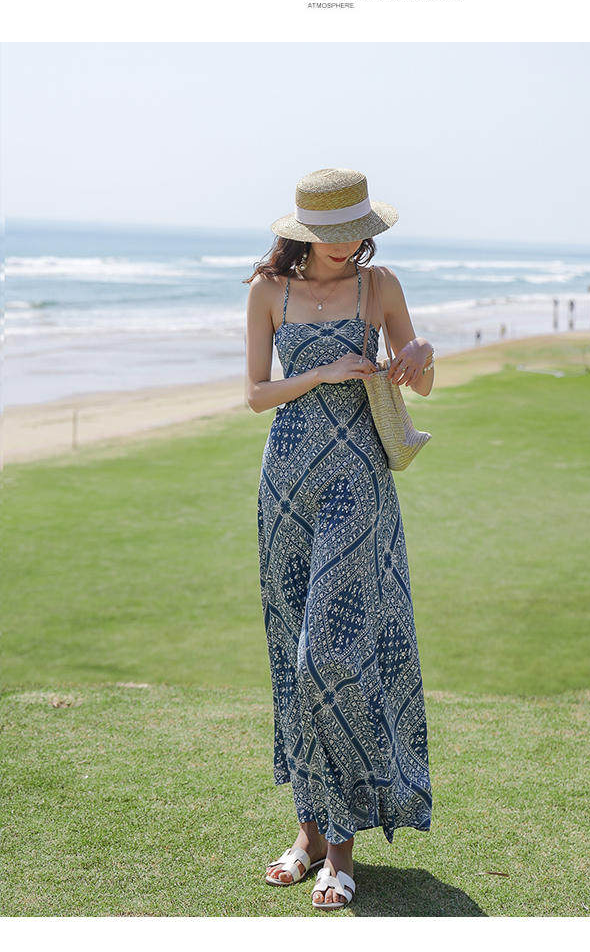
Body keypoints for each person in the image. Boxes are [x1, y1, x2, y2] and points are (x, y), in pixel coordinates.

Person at [244, 168, 435, 910]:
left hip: (358, 481)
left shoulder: (379, 286)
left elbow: (418, 379)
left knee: (332, 656)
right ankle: (308, 833)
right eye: (331, 235)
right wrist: (323, 372)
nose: (346, 246)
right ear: (303, 233)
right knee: (292, 658)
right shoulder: (269, 292)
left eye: (355, 233)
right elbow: (256, 394)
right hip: (288, 483)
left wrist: (420, 356)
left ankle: (343, 846)